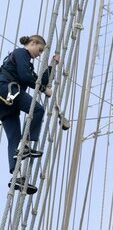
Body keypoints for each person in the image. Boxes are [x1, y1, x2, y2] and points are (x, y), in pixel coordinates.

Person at [0, 35, 59, 194]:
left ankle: (16, 177)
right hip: (7, 90)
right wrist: (43, 90)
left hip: (6, 103)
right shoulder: (21, 53)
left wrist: (52, 65)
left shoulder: (27, 64)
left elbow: (40, 80)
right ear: (32, 43)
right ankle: (26, 145)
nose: (39, 54)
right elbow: (27, 78)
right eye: (39, 50)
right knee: (38, 110)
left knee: (14, 138)